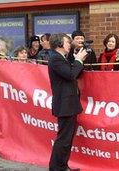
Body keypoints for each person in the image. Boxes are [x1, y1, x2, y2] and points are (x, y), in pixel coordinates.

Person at [48, 33, 87, 171]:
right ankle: (56, 168)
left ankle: (62, 166)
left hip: (68, 104)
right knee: (63, 139)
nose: (69, 44)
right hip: (64, 105)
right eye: (67, 42)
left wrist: (78, 61)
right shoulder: (55, 59)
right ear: (59, 44)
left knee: (67, 139)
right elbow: (70, 74)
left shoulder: (60, 58)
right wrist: (78, 60)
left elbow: (72, 72)